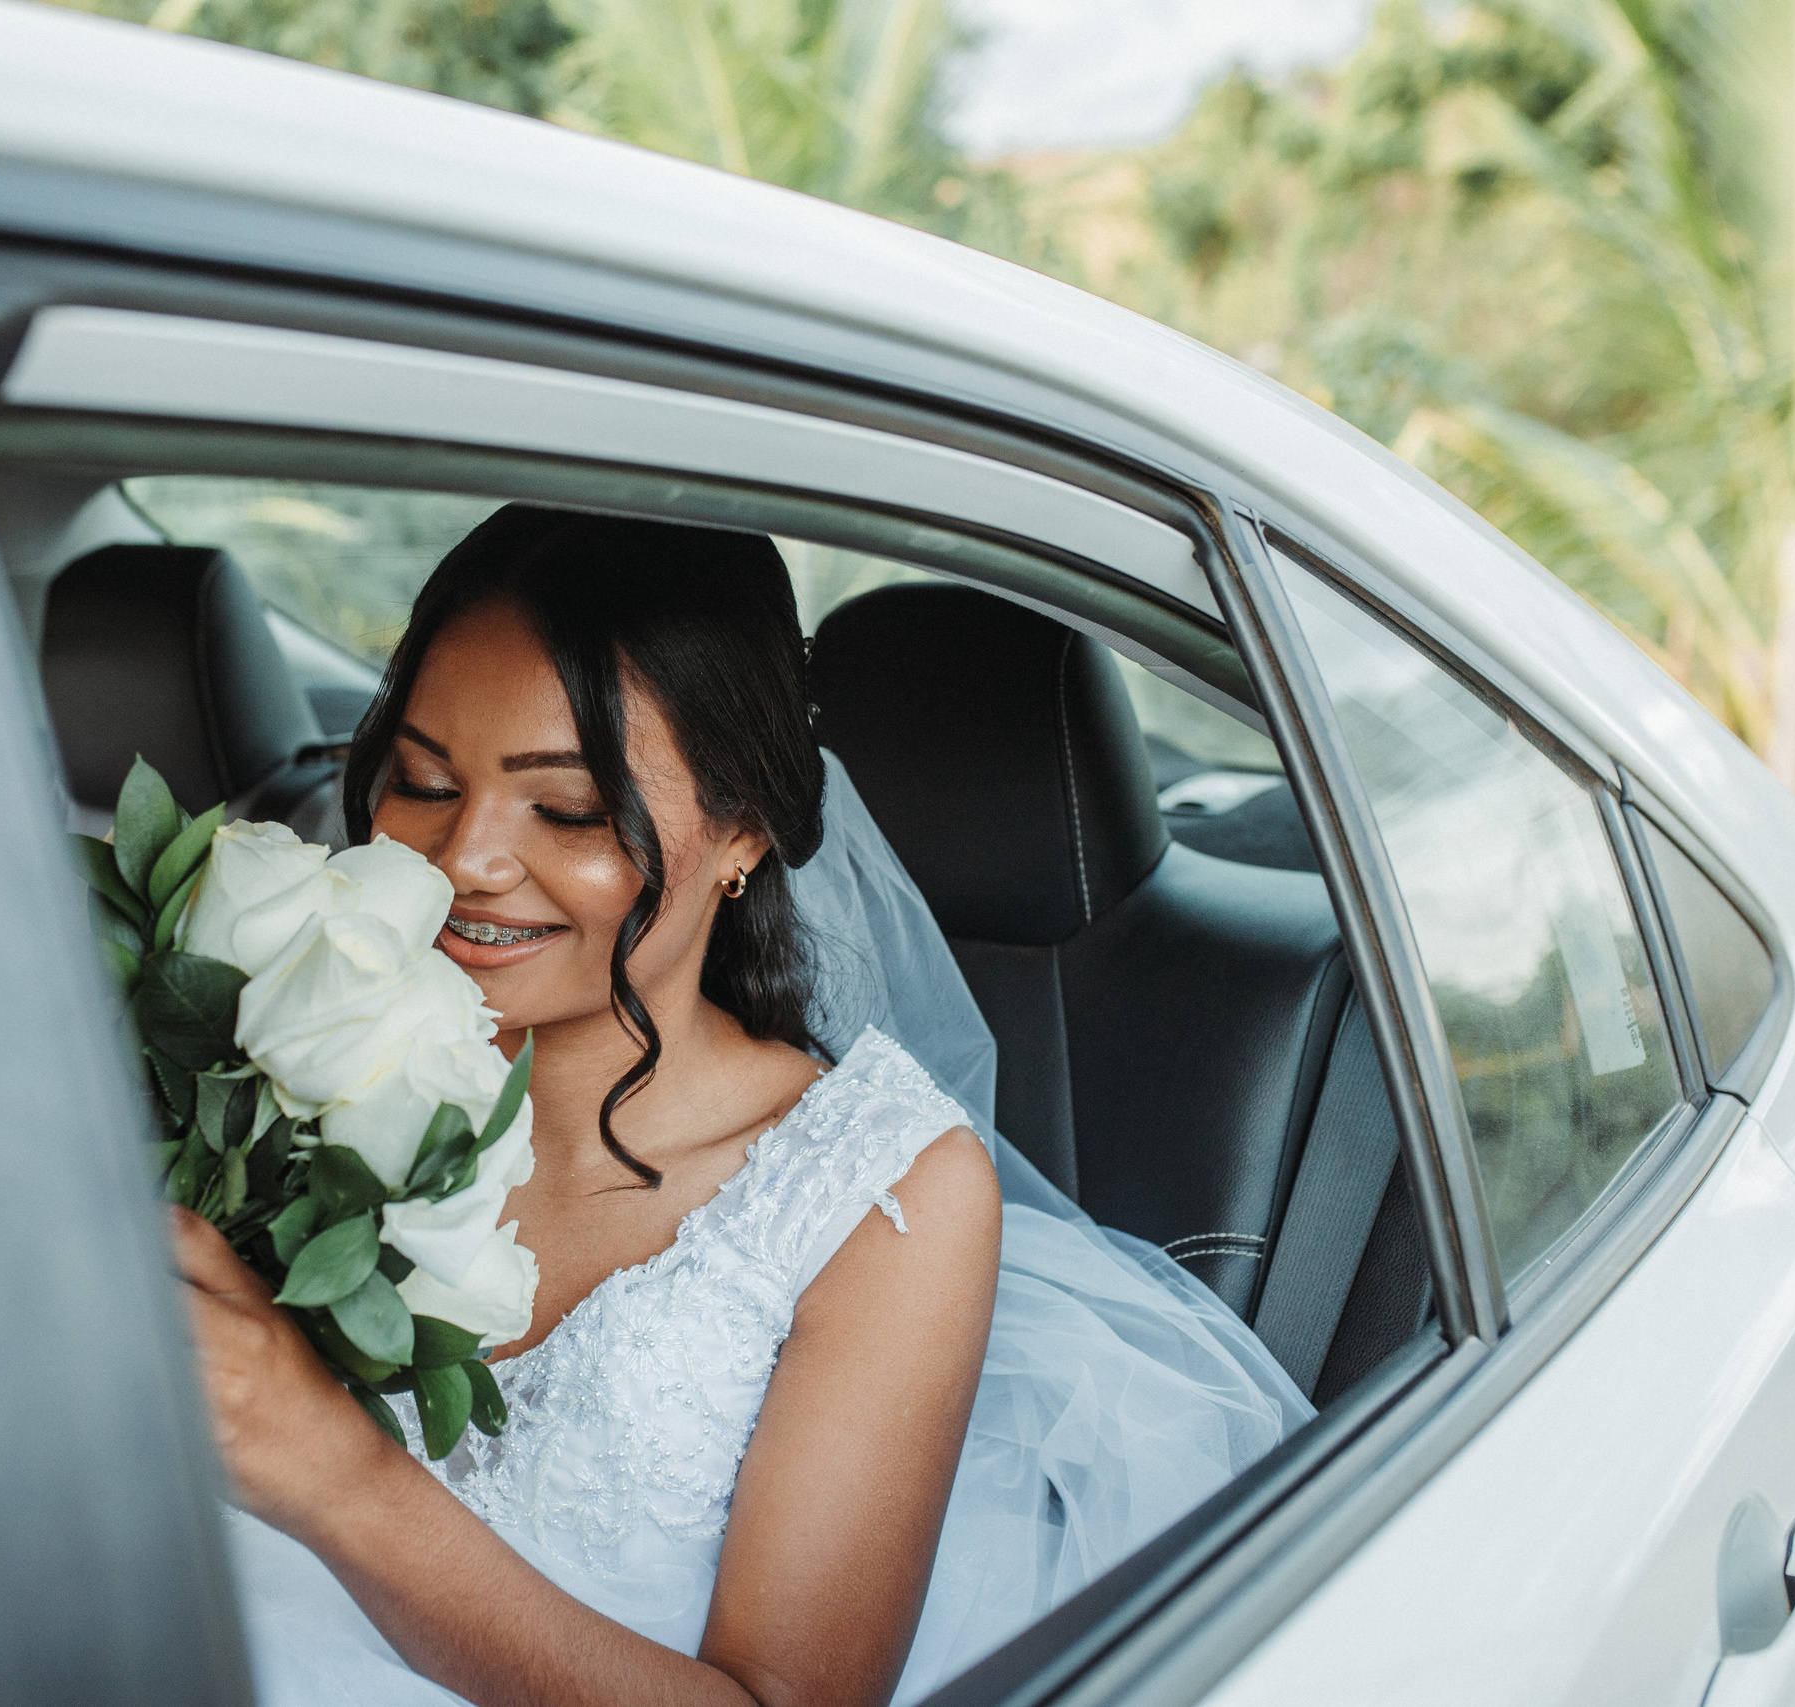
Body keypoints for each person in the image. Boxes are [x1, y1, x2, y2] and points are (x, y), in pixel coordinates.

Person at [170, 507, 1311, 1707]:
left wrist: (341, 1478)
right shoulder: (289, 1049)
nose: (463, 860)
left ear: (744, 830)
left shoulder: (871, 1192)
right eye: (421, 781)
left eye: (567, 810)